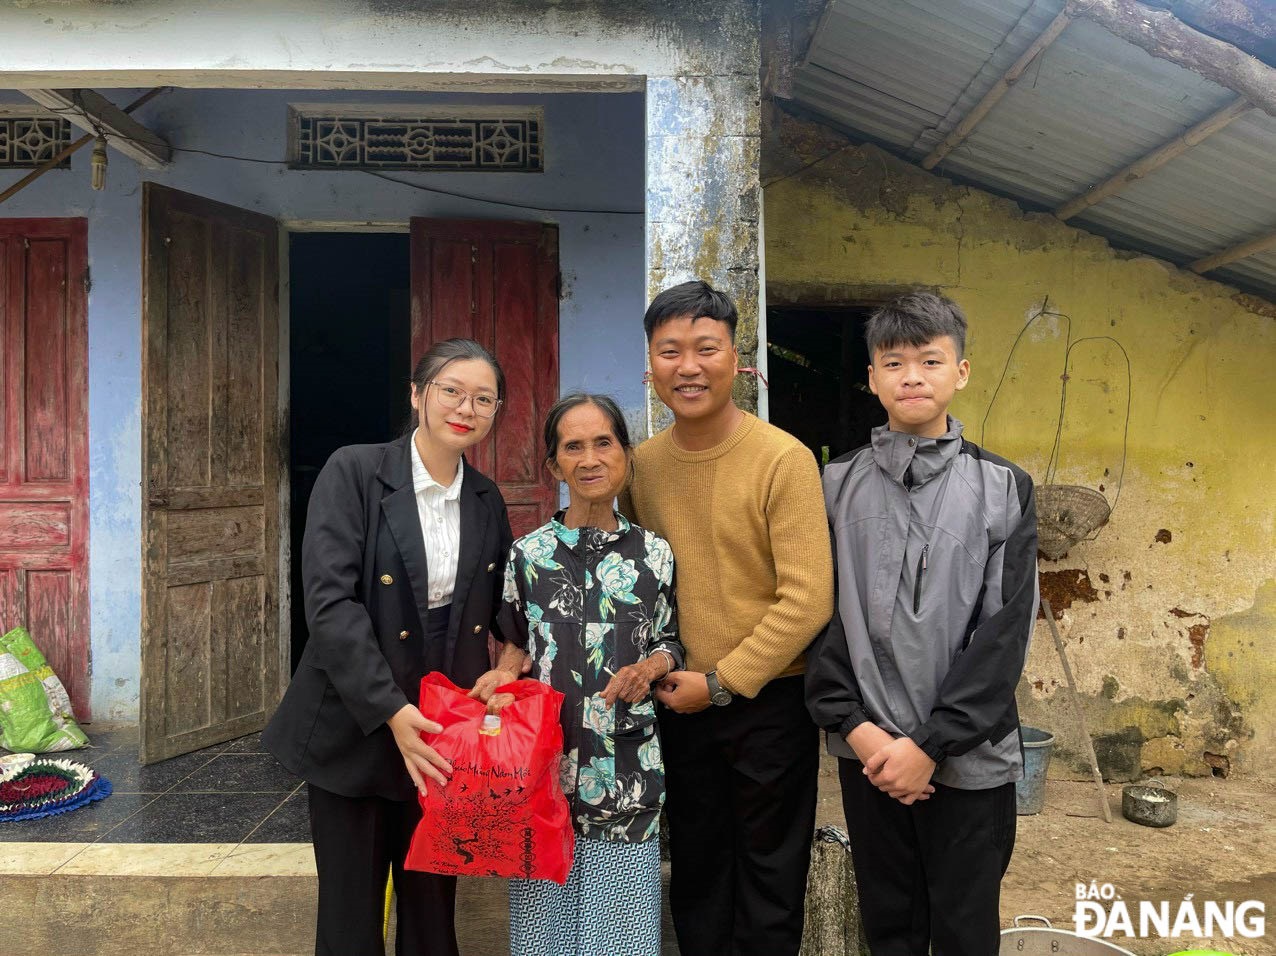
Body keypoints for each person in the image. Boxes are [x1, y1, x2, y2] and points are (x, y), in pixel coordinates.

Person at [805, 291, 1039, 955]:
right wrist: (857, 728)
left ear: (960, 372)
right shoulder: (834, 483)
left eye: (930, 360)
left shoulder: (1003, 487)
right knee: (890, 924)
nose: (913, 375)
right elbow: (816, 617)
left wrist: (931, 745)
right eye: (895, 362)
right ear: (872, 378)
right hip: (869, 753)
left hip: (968, 761)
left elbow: (1003, 634)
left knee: (964, 929)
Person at [263, 338, 514, 956]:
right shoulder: (355, 471)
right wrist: (391, 711)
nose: (466, 407)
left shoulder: (485, 499)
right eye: (451, 390)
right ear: (417, 394)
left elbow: (504, 599)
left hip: (439, 732)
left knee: (433, 915)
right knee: (350, 920)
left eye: (484, 398)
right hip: (359, 722)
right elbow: (330, 605)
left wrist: (512, 657)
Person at [619, 280, 834, 956]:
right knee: (699, 874)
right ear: (651, 364)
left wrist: (721, 681)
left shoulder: (783, 459)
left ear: (735, 358)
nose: (688, 367)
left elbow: (807, 598)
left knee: (770, 878)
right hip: (678, 706)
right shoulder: (641, 468)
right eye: (670, 351)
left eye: (705, 349)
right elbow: (633, 582)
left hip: (770, 704)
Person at [472, 392, 684, 956]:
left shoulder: (655, 555)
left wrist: (649, 667)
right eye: (573, 447)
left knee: (620, 942)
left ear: (626, 454)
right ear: (553, 466)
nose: (590, 458)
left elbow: (671, 640)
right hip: (543, 772)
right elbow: (515, 639)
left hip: (625, 772)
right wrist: (503, 674)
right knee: (545, 940)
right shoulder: (528, 555)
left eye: (603, 443)